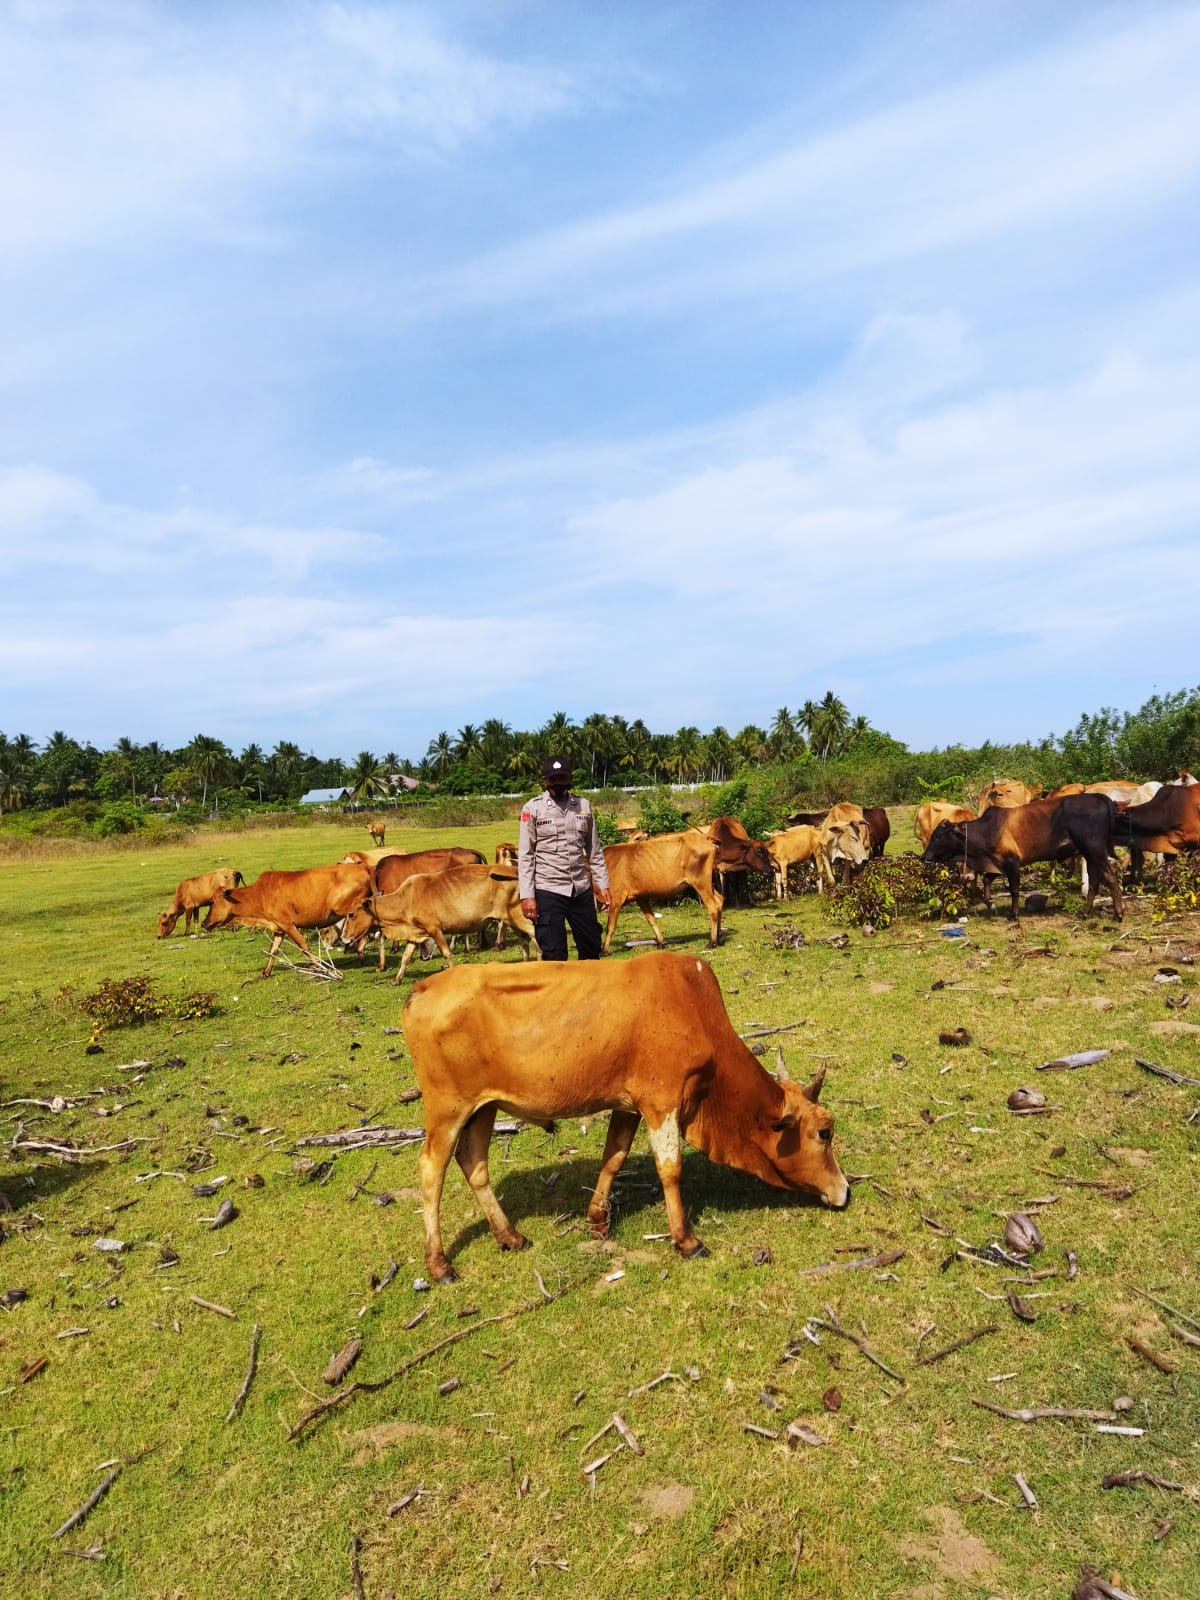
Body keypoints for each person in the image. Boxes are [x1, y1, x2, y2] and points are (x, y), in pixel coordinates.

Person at [518, 757, 611, 960]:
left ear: (570, 778)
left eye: (562, 778)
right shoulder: (533, 809)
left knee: (591, 948)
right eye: (553, 779)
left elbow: (594, 850)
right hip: (548, 889)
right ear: (544, 781)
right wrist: (527, 896)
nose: (558, 783)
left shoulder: (583, 806)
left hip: (580, 889)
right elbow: (526, 855)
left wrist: (603, 885)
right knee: (554, 953)